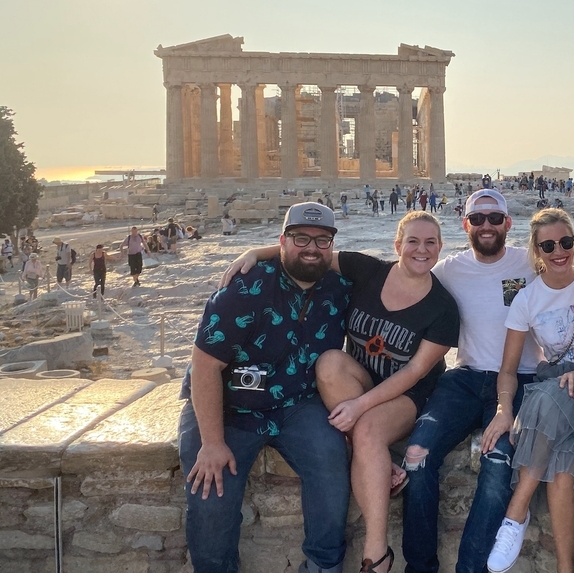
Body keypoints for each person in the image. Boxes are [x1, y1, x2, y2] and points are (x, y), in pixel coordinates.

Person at [225, 212, 461, 573]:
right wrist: (257, 252)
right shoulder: (367, 269)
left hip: (409, 395)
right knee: (330, 362)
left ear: (440, 249)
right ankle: (378, 460)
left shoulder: (443, 308)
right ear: (398, 245)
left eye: (431, 242)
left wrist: (358, 406)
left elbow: (415, 372)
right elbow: (312, 254)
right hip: (360, 378)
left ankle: (376, 552)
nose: (421, 249)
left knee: (367, 430)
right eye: (413, 241)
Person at [178, 203, 353, 573]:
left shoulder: (341, 286)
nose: (311, 248)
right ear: (282, 241)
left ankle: (323, 567)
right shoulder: (244, 287)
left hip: (297, 402)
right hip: (228, 406)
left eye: (322, 241)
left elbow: (401, 273)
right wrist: (211, 442)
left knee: (330, 459)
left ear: (332, 246)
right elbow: (205, 366)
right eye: (300, 238)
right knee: (211, 493)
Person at [400, 189, 540, 573]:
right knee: (417, 457)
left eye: (495, 218)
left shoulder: (532, 263)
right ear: (466, 225)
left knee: (497, 468)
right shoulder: (448, 270)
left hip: (523, 380)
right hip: (465, 377)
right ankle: (420, 566)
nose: (487, 226)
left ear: (508, 224)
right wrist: (259, 253)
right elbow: (389, 275)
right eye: (477, 219)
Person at [484, 209, 574, 573]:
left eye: (565, 242)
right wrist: (504, 410)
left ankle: (516, 513)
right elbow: (507, 369)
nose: (558, 250)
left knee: (544, 398)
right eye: (548, 245)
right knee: (563, 467)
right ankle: (568, 567)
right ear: (537, 250)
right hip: (562, 385)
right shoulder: (526, 300)